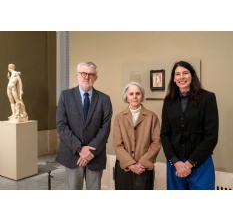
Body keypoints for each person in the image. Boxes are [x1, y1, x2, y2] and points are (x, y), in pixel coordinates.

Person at [160, 61, 219, 190]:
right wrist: (175, 162)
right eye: (177, 74)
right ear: (174, 79)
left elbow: (211, 136)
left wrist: (190, 163)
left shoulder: (207, 98)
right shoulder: (169, 101)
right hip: (175, 163)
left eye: (185, 73)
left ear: (192, 76)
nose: (181, 77)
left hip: (200, 162)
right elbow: (164, 134)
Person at [55, 61, 113, 190]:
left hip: (95, 156)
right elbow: (61, 125)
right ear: (77, 75)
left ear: (96, 78)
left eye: (91, 74)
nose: (87, 77)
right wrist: (80, 149)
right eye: (83, 73)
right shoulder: (65, 96)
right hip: (72, 154)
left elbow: (105, 128)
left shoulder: (104, 99)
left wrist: (90, 151)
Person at [113, 81, 161, 190]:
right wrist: (131, 165)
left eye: (138, 93)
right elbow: (117, 144)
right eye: (131, 94)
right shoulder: (119, 117)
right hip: (124, 167)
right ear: (126, 97)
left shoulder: (152, 116)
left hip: (143, 167)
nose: (134, 96)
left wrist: (141, 163)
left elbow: (156, 143)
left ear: (142, 95)